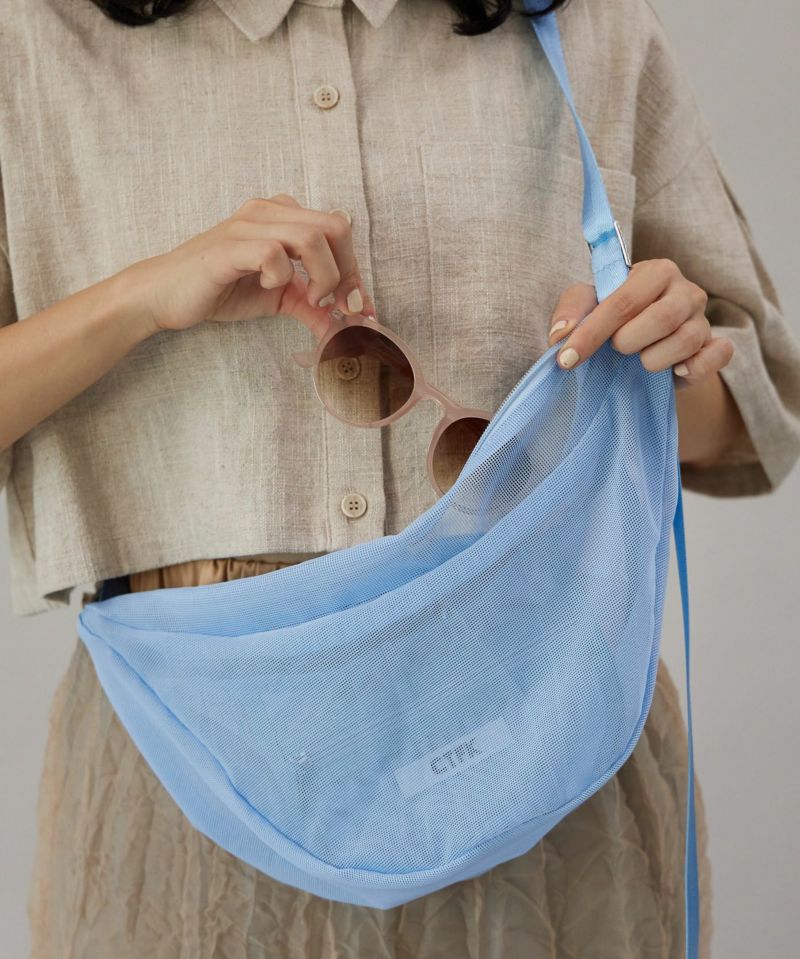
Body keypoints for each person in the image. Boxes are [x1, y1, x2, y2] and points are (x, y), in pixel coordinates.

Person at [2, 0, 799, 956]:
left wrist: (652, 363)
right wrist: (138, 297)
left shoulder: (583, 26)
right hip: (194, 770)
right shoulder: (32, 42)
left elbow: (748, 419)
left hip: (543, 745)